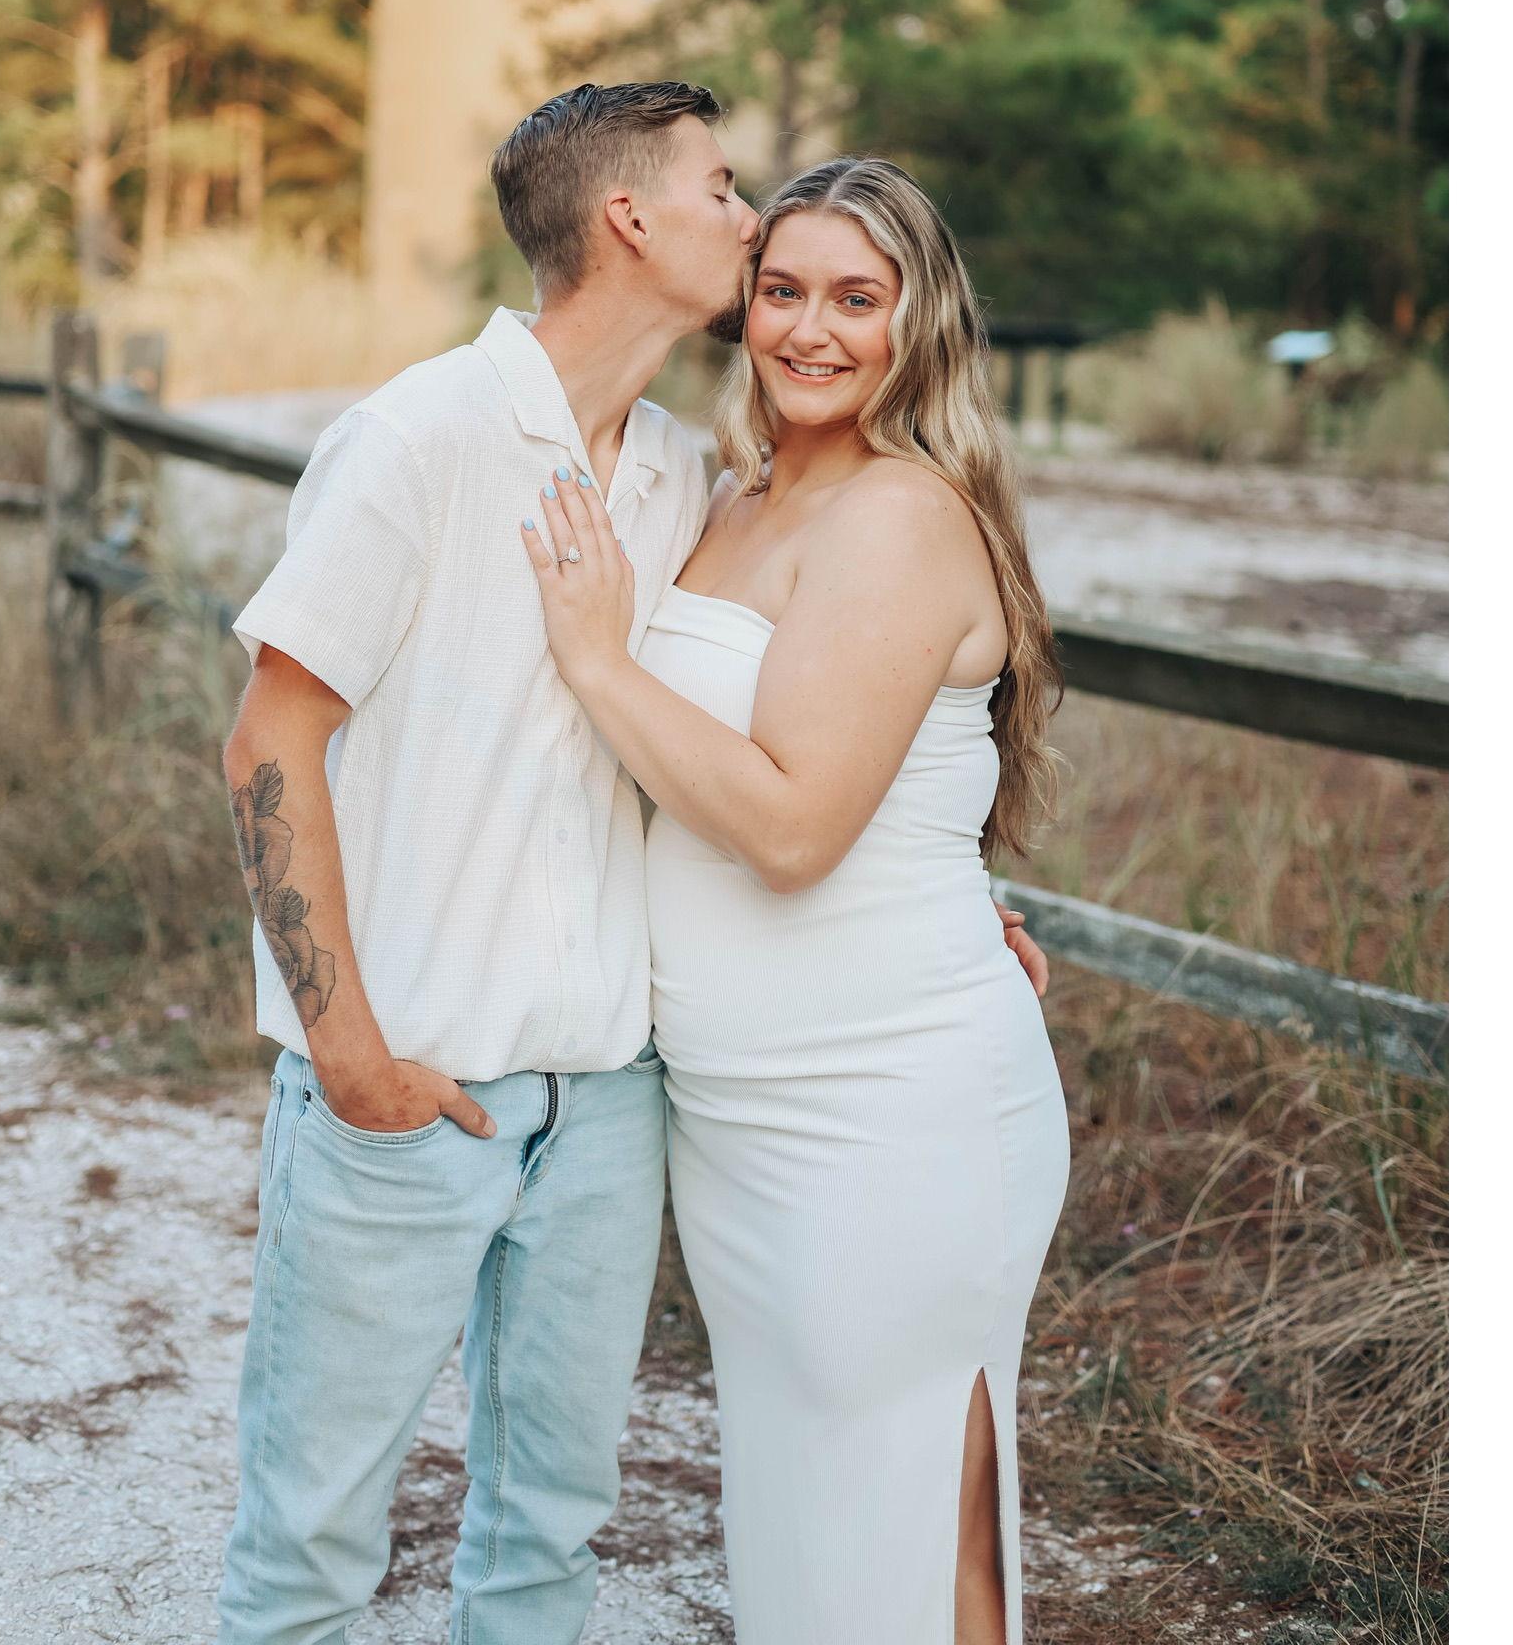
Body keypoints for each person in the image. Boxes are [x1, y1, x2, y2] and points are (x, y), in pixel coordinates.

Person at [213, 82, 1045, 1645]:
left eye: (849, 292)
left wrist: (938, 897)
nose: (752, 226)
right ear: (630, 219)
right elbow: (270, 741)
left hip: (618, 1096)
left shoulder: (677, 475)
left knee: (550, 1536)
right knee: (312, 1544)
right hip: (421, 1079)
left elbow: (799, 761)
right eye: (730, 199)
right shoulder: (424, 440)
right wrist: (349, 1053)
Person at [523, 156, 1074, 1645]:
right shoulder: (735, 503)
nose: (809, 330)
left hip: (887, 1107)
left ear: (919, 322)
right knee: (807, 1528)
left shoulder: (898, 516)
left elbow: (789, 829)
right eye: (782, 291)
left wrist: (599, 661)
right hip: (741, 1114)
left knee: (908, 1520)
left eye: (856, 297)